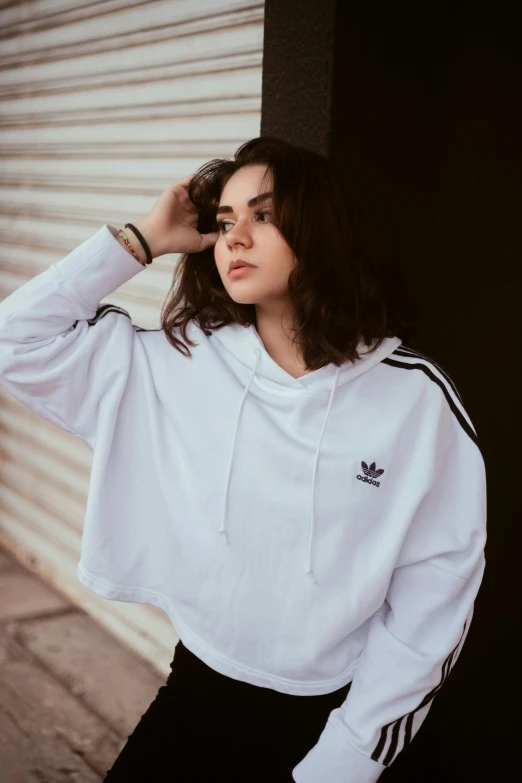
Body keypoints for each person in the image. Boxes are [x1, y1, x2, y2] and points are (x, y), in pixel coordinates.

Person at [0, 136, 487, 783]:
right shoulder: (181, 363)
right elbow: (15, 342)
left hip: (332, 714)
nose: (234, 237)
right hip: (199, 686)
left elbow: (435, 598)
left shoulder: (416, 402)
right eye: (225, 221)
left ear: (319, 226)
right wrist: (144, 238)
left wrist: (347, 756)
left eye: (262, 214)